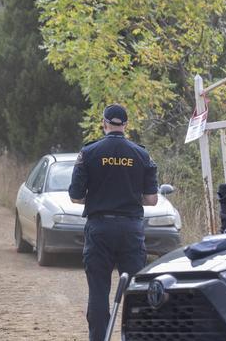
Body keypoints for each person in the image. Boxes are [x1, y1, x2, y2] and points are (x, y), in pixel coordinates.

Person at [68, 104, 158, 341]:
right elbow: (151, 199)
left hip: (100, 229)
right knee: (135, 292)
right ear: (126, 125)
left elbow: (75, 196)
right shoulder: (142, 154)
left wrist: (98, 198)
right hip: (131, 230)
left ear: (104, 123)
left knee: (98, 291)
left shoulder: (88, 153)